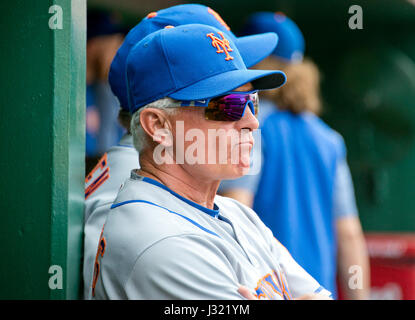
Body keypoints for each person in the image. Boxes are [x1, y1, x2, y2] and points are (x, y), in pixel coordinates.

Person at [89, 22, 333, 300]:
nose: (252, 122)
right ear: (158, 125)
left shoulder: (238, 214)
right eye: (228, 105)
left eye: (251, 101)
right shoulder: (162, 241)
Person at [219, 12, 370, 299]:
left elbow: (237, 207)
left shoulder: (252, 127)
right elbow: (349, 234)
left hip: (267, 292)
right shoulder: (329, 138)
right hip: (317, 292)